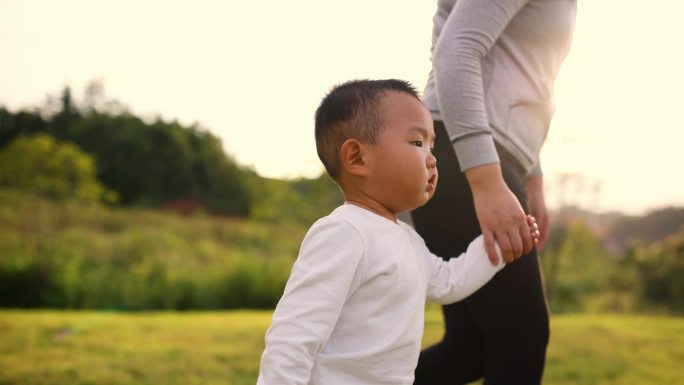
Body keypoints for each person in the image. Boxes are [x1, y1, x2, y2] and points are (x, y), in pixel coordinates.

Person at [256, 79, 539, 385]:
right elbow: (293, 336)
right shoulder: (345, 233)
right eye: (417, 143)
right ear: (357, 157)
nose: (432, 159)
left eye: (433, 145)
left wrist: (496, 244)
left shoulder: (406, 238)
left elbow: (448, 282)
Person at [410, 1, 577, 384]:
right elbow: (456, 51)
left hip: (482, 155)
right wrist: (486, 181)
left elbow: (531, 77)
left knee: (470, 350)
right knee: (521, 345)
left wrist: (533, 175)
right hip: (468, 156)